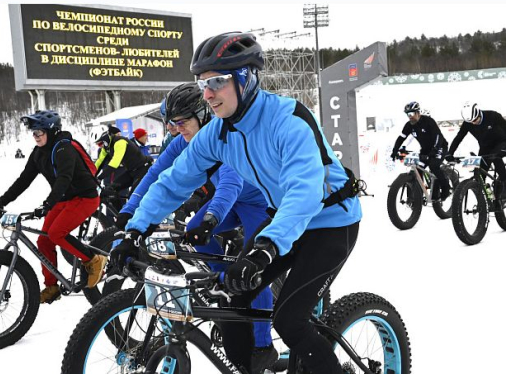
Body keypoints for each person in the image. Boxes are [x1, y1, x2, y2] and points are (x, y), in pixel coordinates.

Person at [111, 32, 362, 374]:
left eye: (216, 81)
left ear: (246, 78)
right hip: (280, 221)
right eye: (202, 84)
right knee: (230, 301)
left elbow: (304, 193)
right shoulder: (217, 134)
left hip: (330, 220)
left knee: (290, 321)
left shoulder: (289, 121)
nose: (208, 93)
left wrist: (265, 248)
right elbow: (173, 182)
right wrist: (135, 229)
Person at [116, 82, 276, 371]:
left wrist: (211, 218)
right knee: (198, 239)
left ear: (204, 114)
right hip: (229, 201)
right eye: (172, 123)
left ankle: (264, 345)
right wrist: (129, 212)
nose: (177, 129)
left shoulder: (226, 136)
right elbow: (157, 174)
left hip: (258, 201)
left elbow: (230, 183)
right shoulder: (184, 141)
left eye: (183, 122)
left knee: (254, 270)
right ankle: (226, 288)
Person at [0, 110, 107, 304]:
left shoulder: (63, 149)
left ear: (51, 131)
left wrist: (47, 205)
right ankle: (52, 287)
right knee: (44, 241)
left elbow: (64, 179)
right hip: (63, 198)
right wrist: (2, 201)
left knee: (56, 233)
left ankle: (93, 259)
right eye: (33, 134)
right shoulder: (38, 153)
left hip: (85, 197)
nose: (35, 137)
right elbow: (24, 180)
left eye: (39, 133)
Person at [391, 101, 451, 201]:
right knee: (418, 169)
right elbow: (401, 138)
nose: (410, 117)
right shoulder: (409, 125)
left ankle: (446, 188)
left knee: (433, 166)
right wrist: (394, 151)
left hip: (440, 147)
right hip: (425, 149)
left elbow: (438, 137)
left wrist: (433, 152)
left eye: (411, 114)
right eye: (408, 114)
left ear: (418, 113)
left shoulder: (429, 121)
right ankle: (419, 194)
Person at [446, 102, 506, 199]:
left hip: (501, 143)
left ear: (478, 112)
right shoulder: (468, 123)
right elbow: (459, 137)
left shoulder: (493, 115)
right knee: (480, 174)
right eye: (471, 122)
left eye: (475, 120)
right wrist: (450, 152)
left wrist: (504, 149)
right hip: (485, 147)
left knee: (496, 157)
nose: (474, 123)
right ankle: (486, 199)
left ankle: (504, 184)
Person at [94, 126, 153, 196]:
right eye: (97, 145)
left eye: (100, 143)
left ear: (105, 138)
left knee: (134, 196)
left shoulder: (120, 142)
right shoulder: (106, 148)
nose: (100, 146)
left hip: (143, 168)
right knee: (110, 190)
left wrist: (99, 177)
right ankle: (117, 207)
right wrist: (90, 175)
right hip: (131, 171)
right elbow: (99, 162)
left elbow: (114, 163)